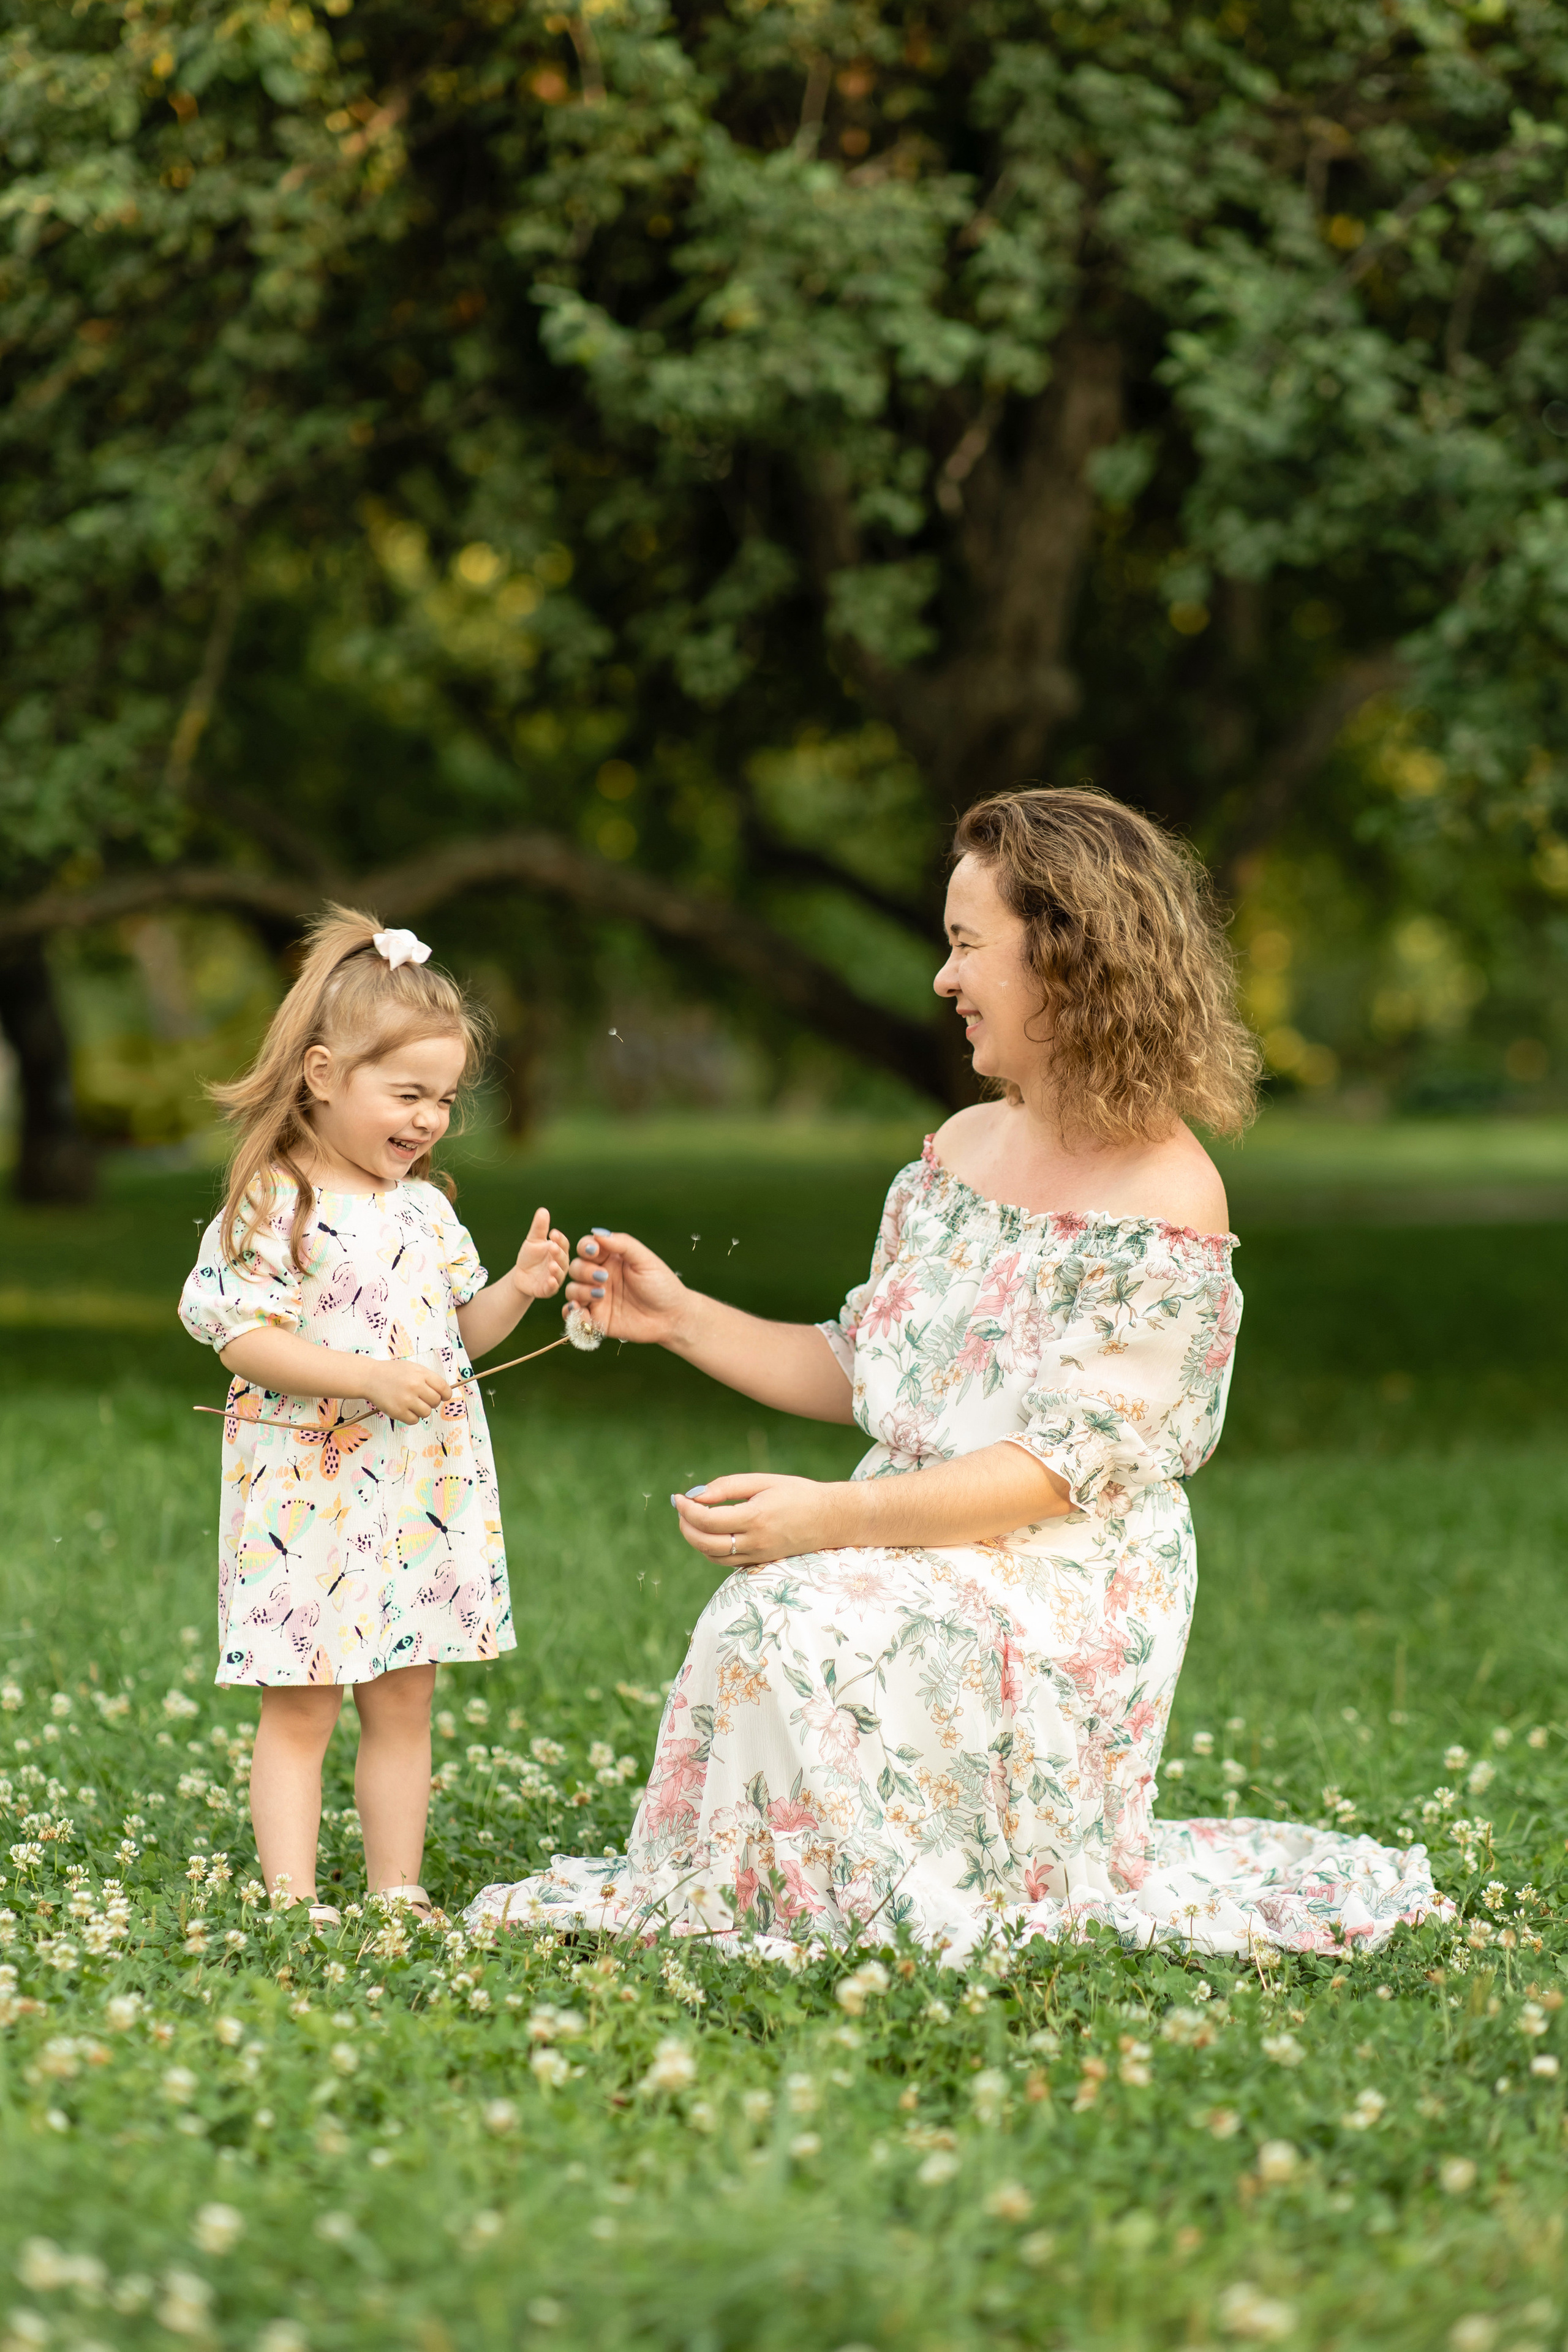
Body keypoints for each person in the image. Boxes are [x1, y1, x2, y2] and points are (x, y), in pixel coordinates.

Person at [467, 790, 1447, 1958]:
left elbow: (1050, 1472)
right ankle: (778, 1898)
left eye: (968, 944)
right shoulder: (959, 1149)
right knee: (777, 1611)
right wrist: (680, 1319)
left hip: (1063, 1581)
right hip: (918, 1543)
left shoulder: (1167, 1202)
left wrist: (835, 1518)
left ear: (1072, 960)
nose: (943, 978)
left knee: (796, 1611)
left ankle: (880, 1908)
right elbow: (872, 1372)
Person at [179, 908, 568, 1926]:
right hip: (305, 1492)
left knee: (404, 1699)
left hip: (414, 1495)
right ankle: (292, 1899)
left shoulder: (427, 1211)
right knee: (303, 1702)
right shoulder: (275, 1202)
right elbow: (237, 1335)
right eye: (406, 1094)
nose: (429, 1119)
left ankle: (399, 1892)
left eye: (442, 1099)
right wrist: (362, 1375)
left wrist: (521, 1288)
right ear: (320, 1075)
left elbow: (458, 1339)